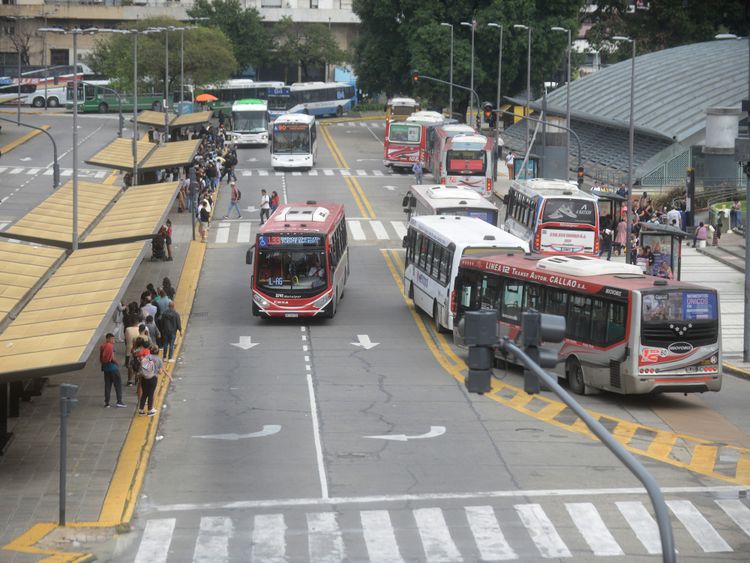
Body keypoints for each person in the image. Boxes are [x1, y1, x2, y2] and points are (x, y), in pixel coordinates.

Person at [138, 345, 170, 416]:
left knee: (144, 394)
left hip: (144, 378)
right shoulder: (159, 359)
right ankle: (150, 410)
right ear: (158, 352)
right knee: (151, 394)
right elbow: (160, 372)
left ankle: (141, 410)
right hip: (153, 378)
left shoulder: (147, 357)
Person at [100, 333, 125, 408]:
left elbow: (101, 357)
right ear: (108, 339)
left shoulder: (102, 346)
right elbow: (113, 358)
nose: (113, 340)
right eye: (112, 339)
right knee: (118, 385)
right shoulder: (110, 346)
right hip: (113, 368)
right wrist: (117, 363)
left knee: (107, 385)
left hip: (106, 368)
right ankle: (119, 401)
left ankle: (107, 402)